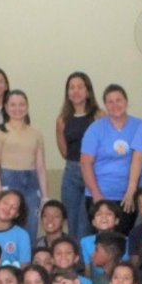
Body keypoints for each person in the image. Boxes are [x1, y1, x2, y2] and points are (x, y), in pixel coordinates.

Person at [79, 83, 142, 229]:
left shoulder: (140, 126)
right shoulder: (95, 129)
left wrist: (133, 191)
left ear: (126, 102)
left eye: (119, 100)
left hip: (128, 196)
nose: (115, 105)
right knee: (102, 242)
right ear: (105, 105)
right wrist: (97, 195)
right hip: (100, 194)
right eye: (110, 101)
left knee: (125, 241)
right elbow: (85, 163)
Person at [0, 88, 47, 233]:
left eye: (21, 104)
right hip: (8, 181)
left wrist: (45, 197)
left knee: (31, 226)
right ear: (6, 108)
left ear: (27, 107)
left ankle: (28, 255)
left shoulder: (36, 134)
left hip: (32, 185)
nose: (17, 108)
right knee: (8, 227)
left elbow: (40, 167)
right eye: (13, 105)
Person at [53, 71, 101, 234]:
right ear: (67, 93)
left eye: (80, 87)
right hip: (71, 174)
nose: (76, 91)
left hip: (94, 173)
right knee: (72, 223)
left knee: (86, 223)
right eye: (71, 87)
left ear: (88, 91)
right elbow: (65, 152)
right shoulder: (62, 120)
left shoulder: (99, 116)